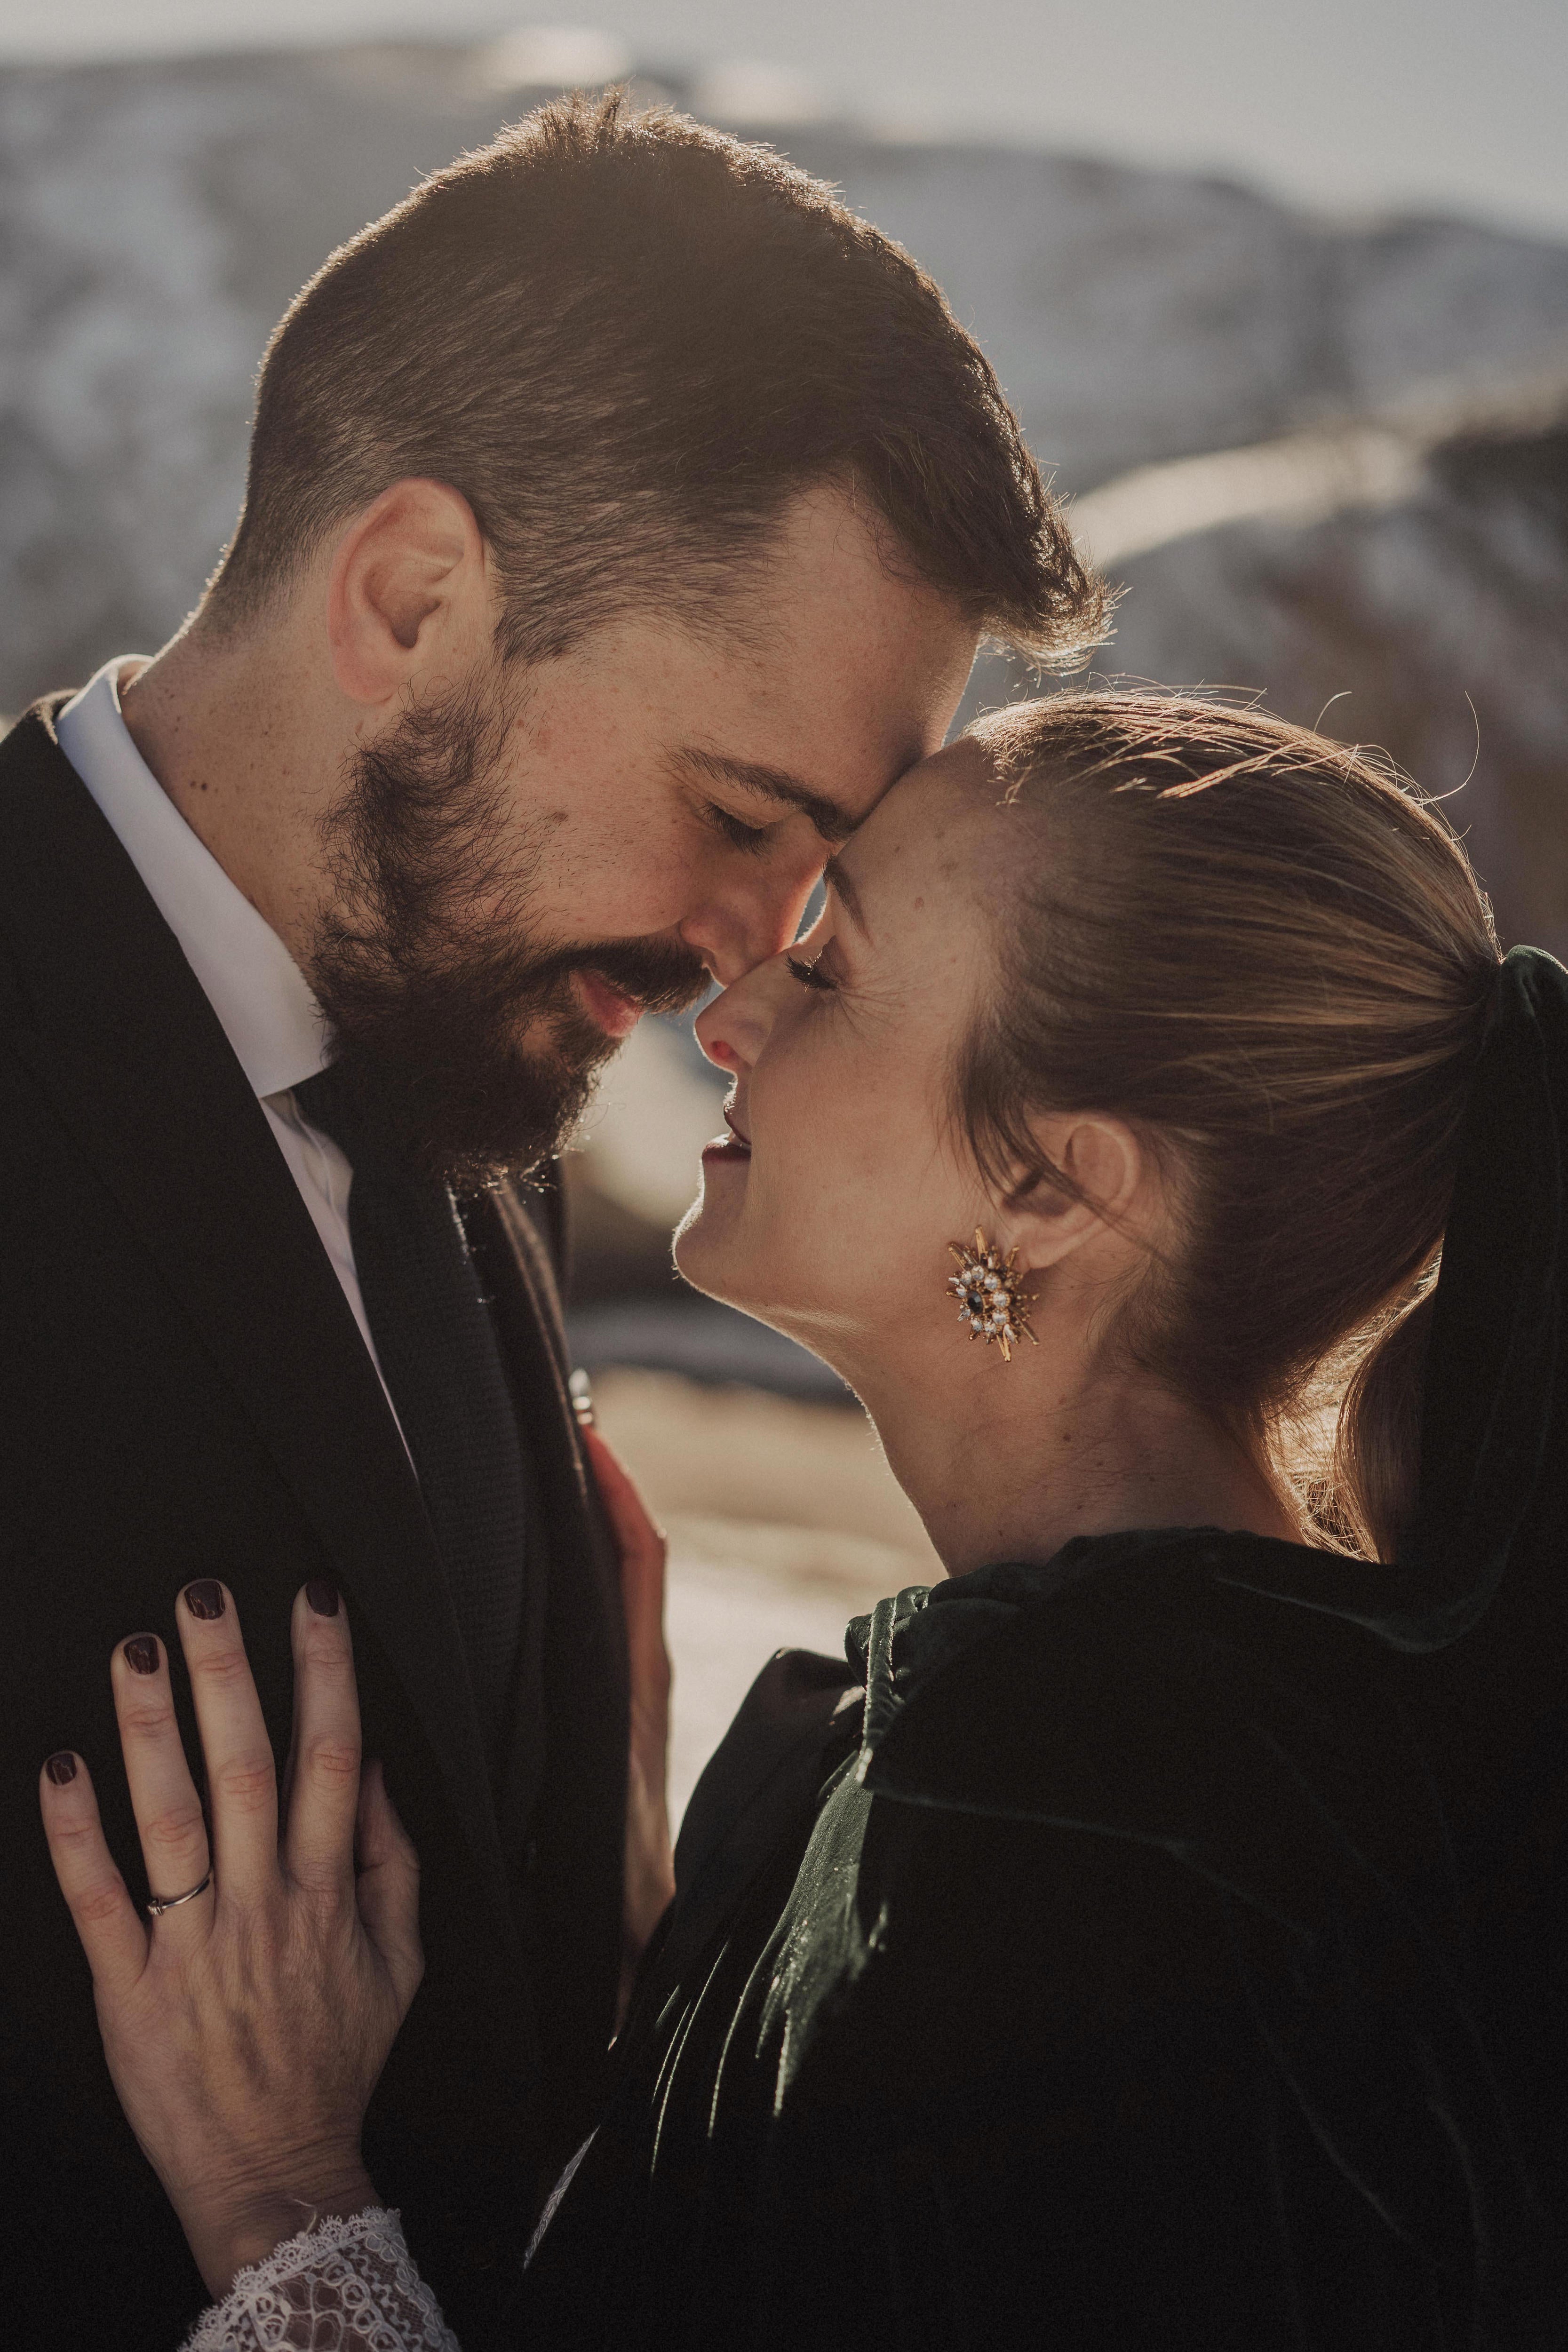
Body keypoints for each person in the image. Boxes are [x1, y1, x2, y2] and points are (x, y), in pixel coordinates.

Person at [42, 694, 1568, 2346]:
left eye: (829, 970)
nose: (731, 1012)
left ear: (1053, 1192)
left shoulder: (1060, 1857)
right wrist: (674, 1983)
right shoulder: (1207, 1748)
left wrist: (284, 2205)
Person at [1, 90, 1106, 2348]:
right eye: (737, 814)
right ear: (411, 597)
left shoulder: (458, 1083)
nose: (749, 953)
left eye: (818, 877)